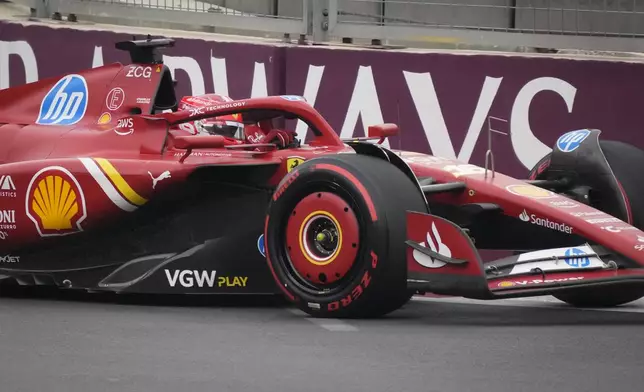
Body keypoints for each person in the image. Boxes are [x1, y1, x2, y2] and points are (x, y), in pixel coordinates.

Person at [172, 93, 297, 149]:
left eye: (235, 129)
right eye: (224, 130)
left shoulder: (247, 136)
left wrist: (273, 147)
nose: (235, 139)